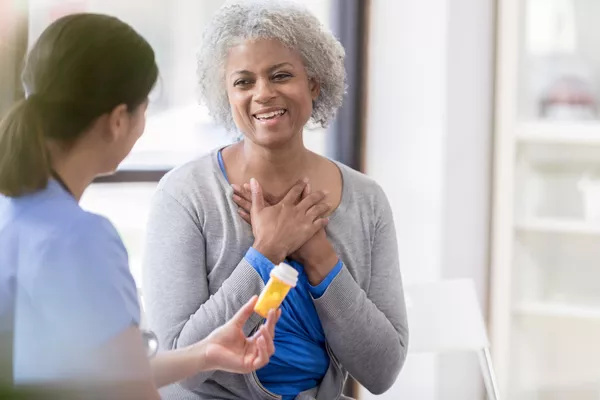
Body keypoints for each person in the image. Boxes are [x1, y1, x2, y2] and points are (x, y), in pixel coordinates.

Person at [0, 13, 280, 400]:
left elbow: (98, 367)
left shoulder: (15, 212)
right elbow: (128, 388)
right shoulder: (78, 239)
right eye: (144, 106)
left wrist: (203, 354)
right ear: (117, 120)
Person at [142, 1, 409, 399]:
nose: (263, 94)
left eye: (281, 75)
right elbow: (180, 367)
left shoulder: (366, 201)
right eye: (244, 82)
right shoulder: (185, 195)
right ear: (226, 94)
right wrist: (266, 253)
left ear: (314, 83)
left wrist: (319, 256)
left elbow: (382, 371)